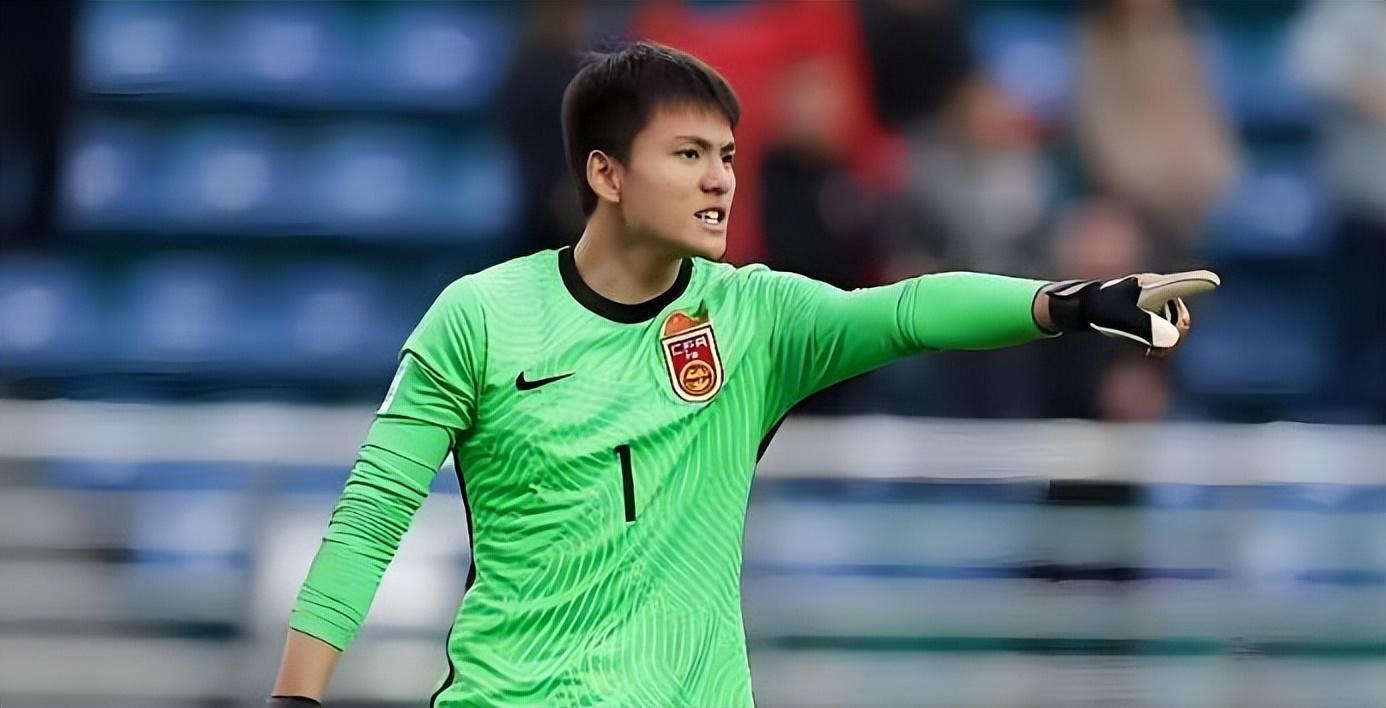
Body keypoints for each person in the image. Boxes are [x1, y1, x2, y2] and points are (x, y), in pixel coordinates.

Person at [268, 42, 1216, 707]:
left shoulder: (755, 319)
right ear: (606, 174)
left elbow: (906, 311)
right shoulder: (480, 316)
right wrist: (296, 698)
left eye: (726, 154)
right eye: (687, 155)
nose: (720, 178)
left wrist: (1067, 302)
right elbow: (370, 520)